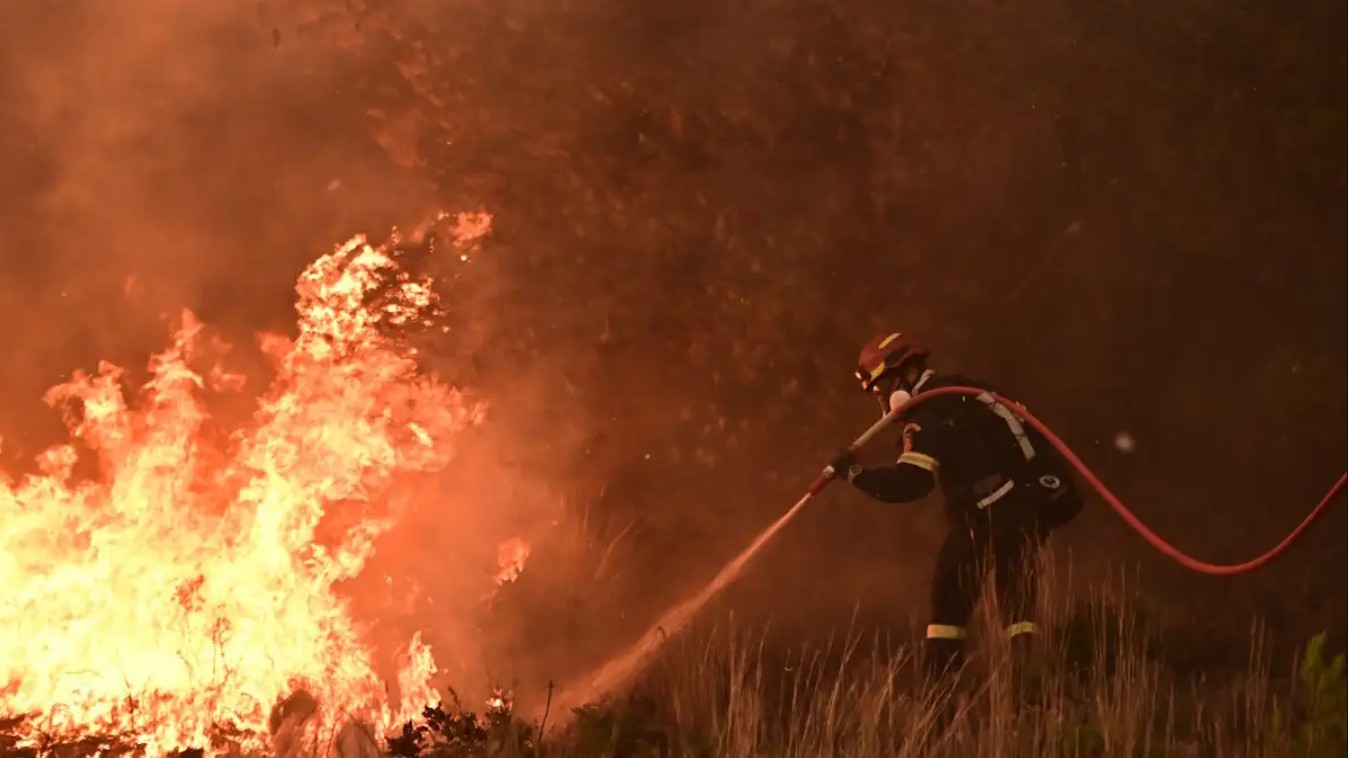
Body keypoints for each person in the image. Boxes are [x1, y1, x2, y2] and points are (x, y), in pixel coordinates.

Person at [826, 331, 1084, 691]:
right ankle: (1032, 695)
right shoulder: (962, 393)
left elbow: (911, 483)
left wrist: (853, 475)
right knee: (1016, 604)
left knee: (951, 602)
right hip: (1019, 508)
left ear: (902, 376)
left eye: (883, 389)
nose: (883, 400)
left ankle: (939, 700)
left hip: (986, 516)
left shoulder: (928, 414)